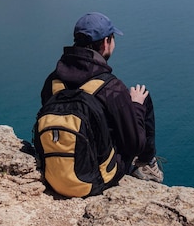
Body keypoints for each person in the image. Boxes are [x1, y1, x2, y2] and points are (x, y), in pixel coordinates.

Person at [40, 12, 163, 184]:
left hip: (54, 170)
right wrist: (136, 105)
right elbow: (134, 145)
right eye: (113, 39)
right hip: (95, 177)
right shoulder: (111, 88)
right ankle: (147, 163)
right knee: (143, 97)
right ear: (106, 43)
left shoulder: (53, 80)